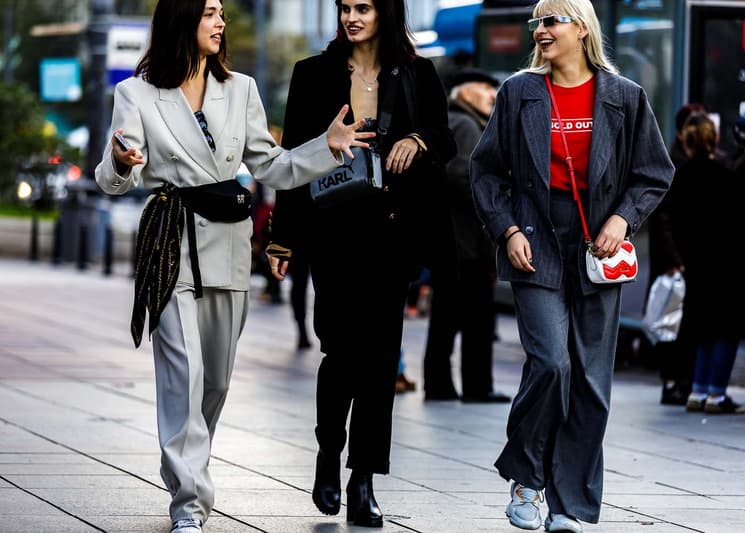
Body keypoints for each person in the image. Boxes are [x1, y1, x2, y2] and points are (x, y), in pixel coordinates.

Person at [94, 1, 372, 532]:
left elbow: (272, 165)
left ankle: (183, 463)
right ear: (182, 21)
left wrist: (327, 147)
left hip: (228, 245)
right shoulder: (135, 93)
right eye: (210, 13)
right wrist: (119, 162)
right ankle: (190, 504)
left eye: (222, 13)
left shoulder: (241, 88)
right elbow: (116, 179)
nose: (221, 23)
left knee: (215, 381)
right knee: (184, 375)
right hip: (169, 247)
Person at [470, 0, 673, 530]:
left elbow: (653, 172)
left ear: (581, 29)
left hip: (597, 246)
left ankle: (571, 507)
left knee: (589, 381)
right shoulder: (519, 92)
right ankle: (527, 477)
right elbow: (486, 172)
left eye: (552, 20)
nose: (541, 30)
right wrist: (507, 229)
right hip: (535, 239)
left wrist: (624, 221)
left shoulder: (625, 97)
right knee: (553, 363)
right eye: (537, 21)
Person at [267, 0, 455, 528]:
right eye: (345, 8)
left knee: (380, 360)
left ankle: (363, 479)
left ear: (386, 13)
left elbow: (445, 138)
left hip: (392, 233)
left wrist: (417, 140)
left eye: (364, 8)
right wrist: (283, 240)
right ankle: (329, 453)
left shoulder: (417, 73)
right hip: (333, 233)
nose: (352, 17)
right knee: (340, 351)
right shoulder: (313, 73)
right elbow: (292, 163)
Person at [665, 113, 745, 415]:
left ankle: (698, 388)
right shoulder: (726, 176)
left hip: (695, 264)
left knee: (701, 328)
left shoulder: (679, 177)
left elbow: (672, 221)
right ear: (714, 139)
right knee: (725, 330)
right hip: (727, 266)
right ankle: (717, 394)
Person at [422, 68, 510, 403]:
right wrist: (494, 203)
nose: (492, 95)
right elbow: (464, 177)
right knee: (476, 319)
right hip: (468, 244)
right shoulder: (466, 125)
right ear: (465, 91)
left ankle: (440, 384)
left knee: (447, 316)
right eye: (486, 88)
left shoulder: (457, 122)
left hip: (456, 243)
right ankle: (476, 386)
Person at [646, 103, 705, 406]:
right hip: (673, 259)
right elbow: (662, 218)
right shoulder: (673, 164)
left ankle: (680, 379)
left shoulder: (687, 162)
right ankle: (671, 380)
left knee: (679, 323)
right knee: (671, 323)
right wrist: (672, 259)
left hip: (682, 257)